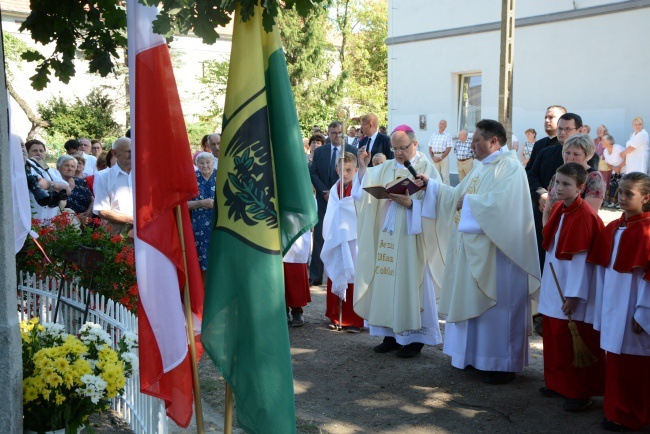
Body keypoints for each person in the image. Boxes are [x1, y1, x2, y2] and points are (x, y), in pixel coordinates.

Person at [423, 119, 541, 384]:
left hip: (501, 255)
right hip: (475, 252)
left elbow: (503, 207)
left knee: (500, 310)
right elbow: (457, 196)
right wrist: (430, 185)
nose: (471, 145)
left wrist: (470, 204)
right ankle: (474, 357)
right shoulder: (481, 168)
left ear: (493, 141)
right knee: (476, 305)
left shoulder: (510, 168)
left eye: (476, 140)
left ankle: (502, 364)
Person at [353, 124, 445, 359]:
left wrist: (412, 204)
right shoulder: (387, 167)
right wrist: (363, 166)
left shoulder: (426, 168)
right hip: (388, 234)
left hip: (412, 238)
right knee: (386, 281)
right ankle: (390, 335)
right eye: (394, 149)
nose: (398, 153)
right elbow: (366, 187)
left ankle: (414, 339)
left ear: (414, 144)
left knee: (411, 284)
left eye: (402, 148)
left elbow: (440, 203)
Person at [538, 162, 605, 412]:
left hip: (572, 289)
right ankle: (557, 383)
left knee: (571, 339)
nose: (559, 187)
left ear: (580, 187)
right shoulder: (560, 209)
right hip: (554, 281)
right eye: (557, 182)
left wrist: (574, 295)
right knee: (554, 337)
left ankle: (579, 391)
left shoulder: (585, 215)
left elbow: (581, 261)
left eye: (566, 184)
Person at [588, 172, 650, 432]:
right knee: (615, 359)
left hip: (635, 308)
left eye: (629, 194)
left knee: (633, 364)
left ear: (646, 198)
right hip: (615, 305)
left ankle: (631, 416)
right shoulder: (615, 227)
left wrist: (643, 313)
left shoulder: (646, 231)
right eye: (620, 192)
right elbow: (603, 268)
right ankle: (615, 410)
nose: (621, 198)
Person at [527, 112, 599, 270]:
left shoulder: (592, 170)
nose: (570, 157)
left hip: (575, 230)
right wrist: (542, 196)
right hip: (546, 220)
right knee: (545, 263)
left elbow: (589, 210)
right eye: (560, 129)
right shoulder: (544, 150)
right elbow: (531, 174)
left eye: (567, 129)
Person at [309, 122, 358, 286]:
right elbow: (313, 172)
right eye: (332, 133)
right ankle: (316, 275)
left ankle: (345, 272)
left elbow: (354, 175)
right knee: (319, 237)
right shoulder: (321, 151)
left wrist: (336, 191)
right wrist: (325, 192)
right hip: (324, 201)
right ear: (328, 134)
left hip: (345, 202)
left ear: (343, 134)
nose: (335, 136)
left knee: (345, 237)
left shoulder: (353, 151)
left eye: (338, 133)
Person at [321, 152, 364, 332]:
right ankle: (335, 315)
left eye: (349, 170)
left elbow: (360, 209)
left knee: (353, 274)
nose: (345, 173)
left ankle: (353, 319)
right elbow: (332, 212)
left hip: (353, 239)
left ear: (355, 170)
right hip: (337, 237)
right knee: (337, 271)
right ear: (336, 169)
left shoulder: (359, 189)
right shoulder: (334, 189)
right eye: (342, 169)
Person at [542, 134, 604, 225]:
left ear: (587, 156)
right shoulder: (557, 176)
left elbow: (588, 214)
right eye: (567, 152)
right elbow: (547, 211)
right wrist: (547, 232)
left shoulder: (594, 177)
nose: (570, 157)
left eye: (576, 154)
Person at [93, 137, 133, 235]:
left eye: (134, 151)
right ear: (114, 153)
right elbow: (102, 211)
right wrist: (132, 220)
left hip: (144, 230)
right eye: (128, 151)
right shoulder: (104, 177)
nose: (132, 154)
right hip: (116, 230)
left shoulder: (143, 175)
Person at [24, 139, 70, 224]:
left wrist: (50, 184)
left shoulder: (52, 171)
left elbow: (67, 190)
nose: (39, 153)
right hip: (33, 220)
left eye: (41, 150)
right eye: (34, 150)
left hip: (51, 220)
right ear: (27, 153)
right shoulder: (25, 170)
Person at [187, 152, 216, 284]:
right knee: (201, 260)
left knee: (218, 258)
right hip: (199, 227)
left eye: (208, 162)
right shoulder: (191, 179)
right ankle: (203, 292)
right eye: (201, 163)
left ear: (213, 163)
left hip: (218, 225)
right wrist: (201, 203)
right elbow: (183, 205)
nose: (205, 165)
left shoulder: (221, 177)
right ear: (196, 164)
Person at [283, 228, 312, 328]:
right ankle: (282, 311)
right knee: (278, 272)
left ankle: (297, 310)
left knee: (295, 271)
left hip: (297, 227)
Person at [601, 134, 626, 208]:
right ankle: (614, 202)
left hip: (624, 170)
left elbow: (627, 157)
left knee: (622, 186)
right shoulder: (605, 151)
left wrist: (619, 167)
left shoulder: (618, 147)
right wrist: (614, 168)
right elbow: (607, 163)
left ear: (608, 142)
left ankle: (621, 203)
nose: (601, 142)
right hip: (614, 171)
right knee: (613, 186)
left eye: (603, 141)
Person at [427, 119, 453, 185]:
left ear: (445, 126)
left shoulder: (448, 135)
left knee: (445, 176)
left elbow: (449, 148)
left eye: (443, 124)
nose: (441, 125)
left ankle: (446, 193)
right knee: (436, 176)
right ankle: (437, 191)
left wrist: (441, 157)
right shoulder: (433, 135)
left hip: (443, 157)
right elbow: (430, 147)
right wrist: (432, 158)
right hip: (435, 157)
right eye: (440, 124)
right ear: (438, 125)